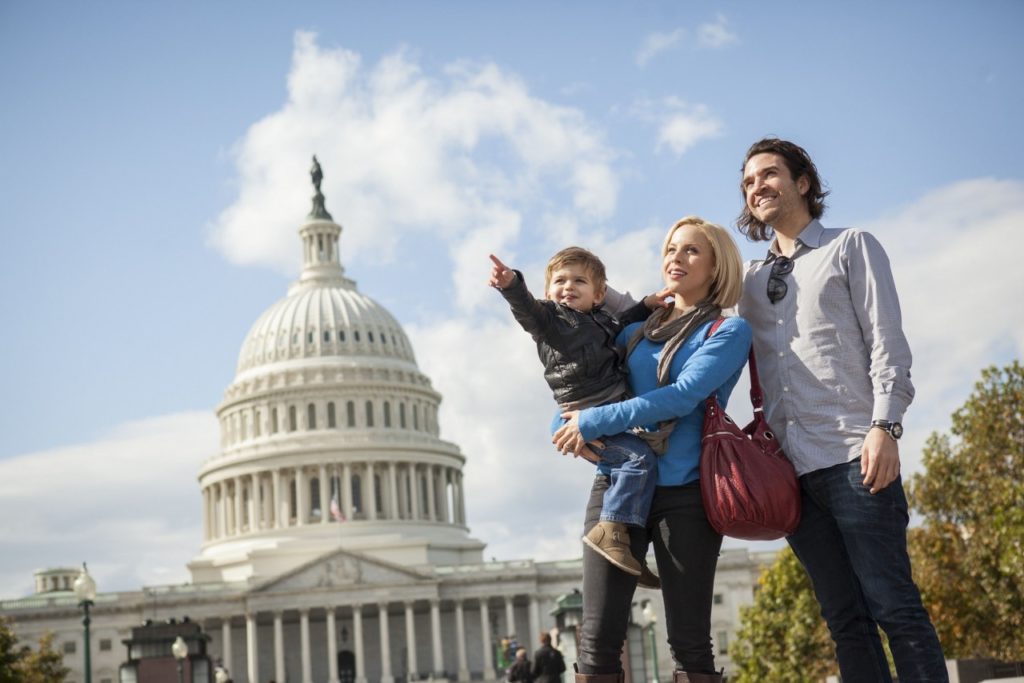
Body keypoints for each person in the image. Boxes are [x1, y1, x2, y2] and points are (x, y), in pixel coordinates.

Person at [735, 137, 947, 682]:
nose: (757, 186)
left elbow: (888, 344)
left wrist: (885, 426)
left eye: (769, 174)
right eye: (748, 180)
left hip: (856, 457)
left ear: (803, 182)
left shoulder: (851, 246)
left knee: (894, 608)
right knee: (844, 620)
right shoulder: (750, 284)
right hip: (791, 476)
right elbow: (683, 296)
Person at [552, 217, 751, 683]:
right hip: (616, 488)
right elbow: (583, 382)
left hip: (684, 495)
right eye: (670, 250)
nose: (675, 259)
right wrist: (562, 426)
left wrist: (592, 422)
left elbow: (682, 396)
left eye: (690, 251)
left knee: (689, 643)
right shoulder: (635, 330)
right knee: (597, 641)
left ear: (716, 264)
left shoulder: (728, 331)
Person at [489, 248, 668, 583]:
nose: (568, 286)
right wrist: (511, 284)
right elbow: (526, 310)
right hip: (586, 412)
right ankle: (611, 531)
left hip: (608, 412)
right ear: (547, 292)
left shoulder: (601, 320)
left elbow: (623, 322)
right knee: (638, 461)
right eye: (559, 281)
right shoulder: (550, 321)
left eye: (579, 281)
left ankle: (628, 545)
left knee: (636, 465)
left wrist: (646, 305)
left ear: (598, 295)